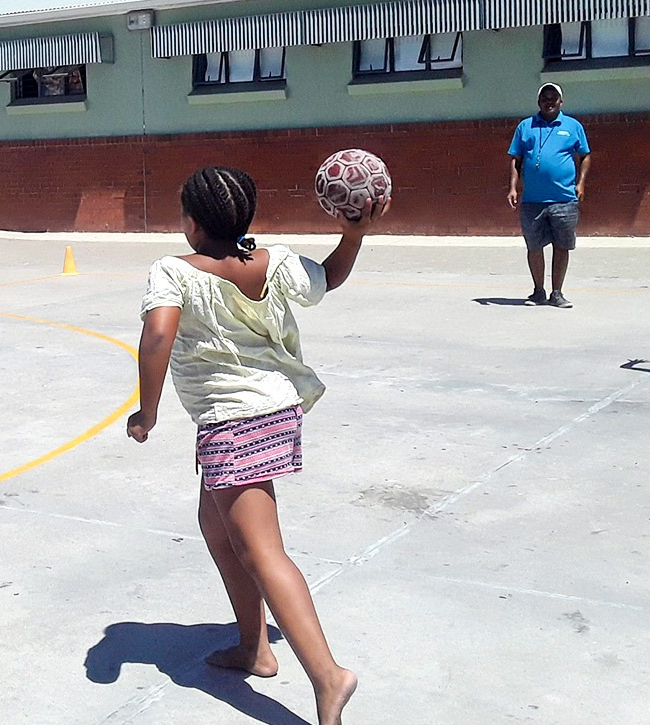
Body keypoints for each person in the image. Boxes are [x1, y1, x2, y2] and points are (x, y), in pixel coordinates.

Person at [126, 166, 382, 725]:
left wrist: (147, 412)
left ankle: (328, 676)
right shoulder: (277, 260)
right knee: (218, 529)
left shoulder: (173, 272)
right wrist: (353, 236)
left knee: (262, 551)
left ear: (191, 224)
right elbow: (327, 281)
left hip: (234, 421)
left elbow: (159, 334)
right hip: (273, 411)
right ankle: (254, 647)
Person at [508, 82, 591, 308]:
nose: (549, 101)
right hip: (533, 201)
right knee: (534, 247)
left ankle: (557, 293)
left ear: (560, 102)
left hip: (564, 199)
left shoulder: (572, 126)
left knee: (562, 246)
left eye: (553, 97)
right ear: (539, 102)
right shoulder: (525, 127)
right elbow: (516, 160)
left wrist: (581, 184)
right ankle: (538, 291)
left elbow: (585, 155)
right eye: (545, 97)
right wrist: (513, 188)